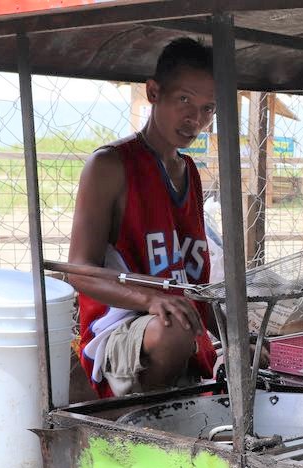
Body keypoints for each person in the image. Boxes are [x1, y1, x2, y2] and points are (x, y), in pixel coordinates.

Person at [69, 37, 217, 398]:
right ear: (153, 92)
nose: (195, 119)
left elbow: (193, 284)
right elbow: (78, 271)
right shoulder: (109, 165)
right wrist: (149, 300)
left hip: (179, 324)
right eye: (184, 100)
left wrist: (235, 336)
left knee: (225, 339)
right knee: (172, 327)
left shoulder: (189, 171)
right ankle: (142, 414)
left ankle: (181, 398)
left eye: (208, 108)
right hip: (121, 329)